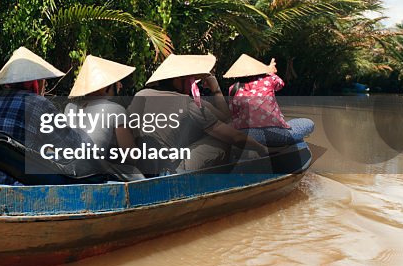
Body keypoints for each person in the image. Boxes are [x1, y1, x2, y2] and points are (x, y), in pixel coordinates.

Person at [125, 54, 269, 175]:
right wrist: (262, 149)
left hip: (141, 166)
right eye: (191, 80)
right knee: (223, 138)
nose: (193, 84)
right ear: (177, 80)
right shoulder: (188, 104)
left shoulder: (140, 94)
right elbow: (233, 135)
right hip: (170, 169)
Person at [0, 47, 78, 199]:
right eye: (43, 80)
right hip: (9, 195)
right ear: (35, 82)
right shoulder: (38, 103)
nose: (44, 85)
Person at [224, 54, 315, 147]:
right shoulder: (268, 80)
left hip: (246, 136)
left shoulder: (233, 88)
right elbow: (280, 84)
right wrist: (271, 71)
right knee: (308, 123)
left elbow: (234, 114)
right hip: (273, 134)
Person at [65, 55, 137, 153]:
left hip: (68, 165)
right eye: (115, 82)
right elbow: (130, 153)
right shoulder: (117, 110)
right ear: (105, 86)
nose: (120, 85)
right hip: (92, 167)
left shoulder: (69, 107)